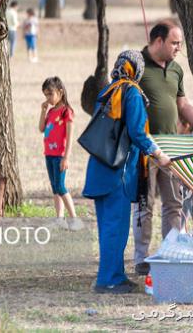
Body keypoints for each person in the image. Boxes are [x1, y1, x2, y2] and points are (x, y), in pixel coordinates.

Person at [83, 50, 172, 294]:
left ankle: (113, 275)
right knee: (116, 228)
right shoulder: (131, 92)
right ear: (137, 70)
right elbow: (137, 132)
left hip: (99, 168)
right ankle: (109, 280)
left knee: (107, 228)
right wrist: (159, 154)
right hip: (118, 172)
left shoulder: (107, 90)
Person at [133, 21, 193, 275]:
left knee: (174, 204)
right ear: (158, 41)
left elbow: (183, 107)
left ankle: (169, 253)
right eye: (174, 43)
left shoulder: (177, 69)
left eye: (180, 43)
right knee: (143, 205)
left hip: (171, 149)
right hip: (144, 149)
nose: (178, 48)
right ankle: (141, 259)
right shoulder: (136, 66)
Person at [39, 77, 81, 230]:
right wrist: (43, 111)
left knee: (61, 186)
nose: (48, 98)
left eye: (50, 94)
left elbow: (70, 136)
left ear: (60, 92)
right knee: (54, 187)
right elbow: (41, 128)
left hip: (60, 155)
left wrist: (66, 157)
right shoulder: (50, 111)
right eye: (45, 95)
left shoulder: (66, 112)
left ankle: (74, 219)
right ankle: (59, 218)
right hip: (49, 154)